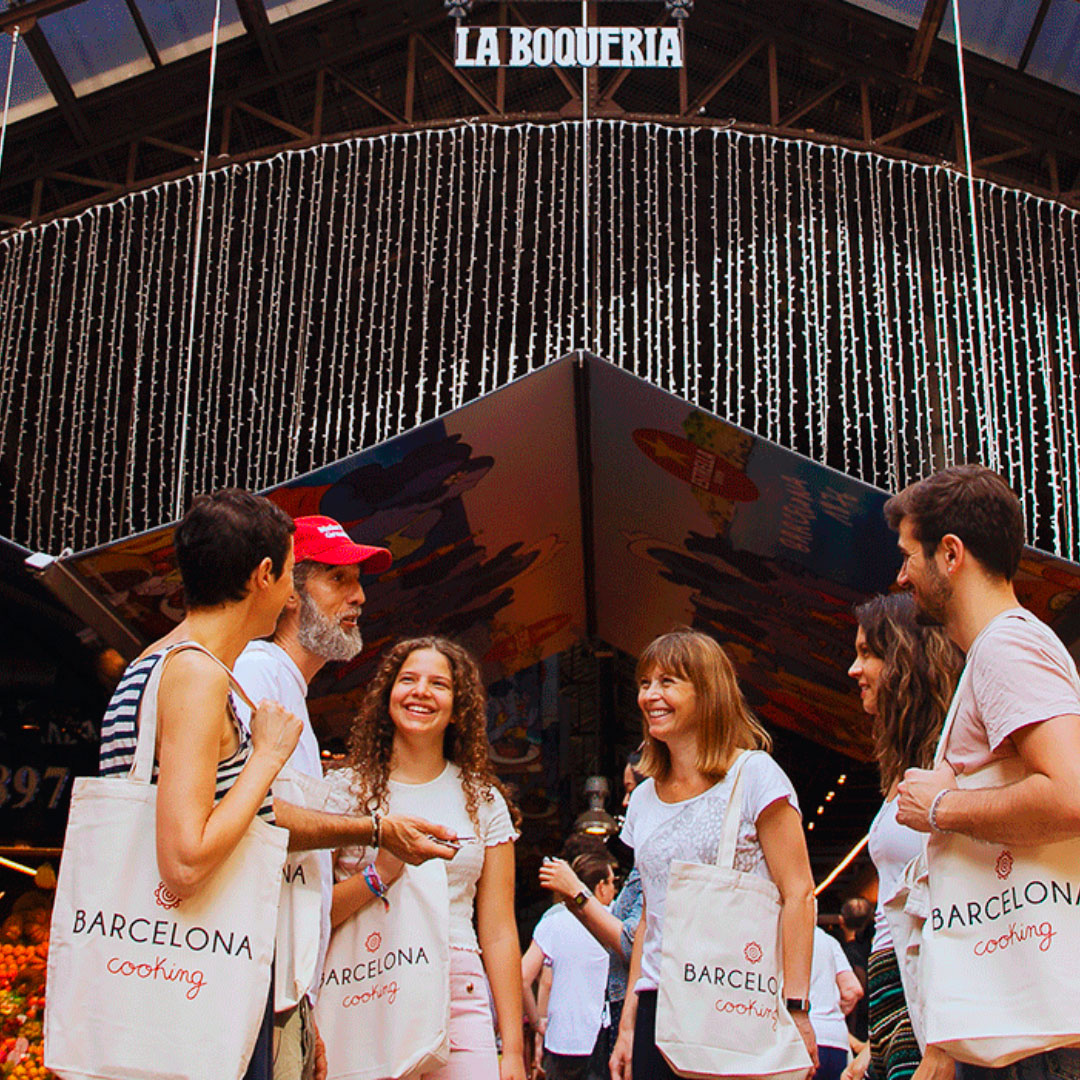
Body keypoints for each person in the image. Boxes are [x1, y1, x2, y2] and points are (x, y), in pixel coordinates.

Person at [234, 515, 458, 1080]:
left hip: (281, 986)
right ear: (288, 592)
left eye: (357, 580)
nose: (358, 596)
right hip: (250, 982)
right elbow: (253, 818)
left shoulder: (290, 688)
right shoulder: (260, 672)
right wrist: (375, 832)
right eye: (336, 579)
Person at [98, 489, 304, 1080]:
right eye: (290, 574)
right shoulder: (195, 674)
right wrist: (265, 757)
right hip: (193, 975)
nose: (292, 595)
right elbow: (184, 862)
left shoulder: (153, 661)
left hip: (148, 972)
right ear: (263, 575)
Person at [887, 465, 1080, 1080]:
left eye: (908, 556)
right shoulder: (1002, 649)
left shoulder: (1006, 646)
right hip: (1018, 1018)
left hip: (1030, 1035)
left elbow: (1071, 794)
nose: (900, 576)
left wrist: (940, 809)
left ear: (950, 554)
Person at [609, 628, 818, 1079]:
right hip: (657, 1005)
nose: (650, 696)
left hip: (732, 998)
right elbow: (650, 916)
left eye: (668, 682)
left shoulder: (754, 773)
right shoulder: (643, 800)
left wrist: (797, 1007)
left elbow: (799, 892)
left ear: (708, 693)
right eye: (645, 683)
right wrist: (627, 1025)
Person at [326, 637, 527, 1080]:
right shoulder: (343, 792)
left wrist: (512, 1047)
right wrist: (380, 874)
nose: (421, 691)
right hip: (365, 980)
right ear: (387, 696)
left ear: (458, 709)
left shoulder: (484, 800)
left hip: (459, 985)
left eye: (439, 684)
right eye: (408, 680)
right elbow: (317, 913)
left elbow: (497, 930)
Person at [843, 593, 962, 1080]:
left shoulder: (951, 761)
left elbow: (957, 901)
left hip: (933, 998)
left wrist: (945, 1039)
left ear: (907, 660)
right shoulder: (904, 768)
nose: (854, 668)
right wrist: (875, 1041)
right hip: (896, 991)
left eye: (869, 653)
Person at [537, 752, 645, 1061]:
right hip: (612, 1019)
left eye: (630, 790)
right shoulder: (641, 866)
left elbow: (631, 942)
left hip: (634, 1017)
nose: (624, 803)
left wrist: (578, 895)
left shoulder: (654, 868)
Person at [522, 851, 616, 1080]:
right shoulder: (614, 923)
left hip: (559, 1040)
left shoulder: (553, 921)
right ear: (601, 886)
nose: (615, 890)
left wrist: (536, 1022)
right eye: (613, 882)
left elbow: (522, 978)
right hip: (600, 1039)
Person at [809, 926, 863, 1080]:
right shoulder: (827, 940)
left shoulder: (775, 930)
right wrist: (830, 1010)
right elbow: (853, 990)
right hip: (836, 1039)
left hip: (801, 1037)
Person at [838, 897, 873, 1046]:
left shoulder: (842, 954)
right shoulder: (875, 952)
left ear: (841, 921)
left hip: (853, 1029)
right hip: (874, 1022)